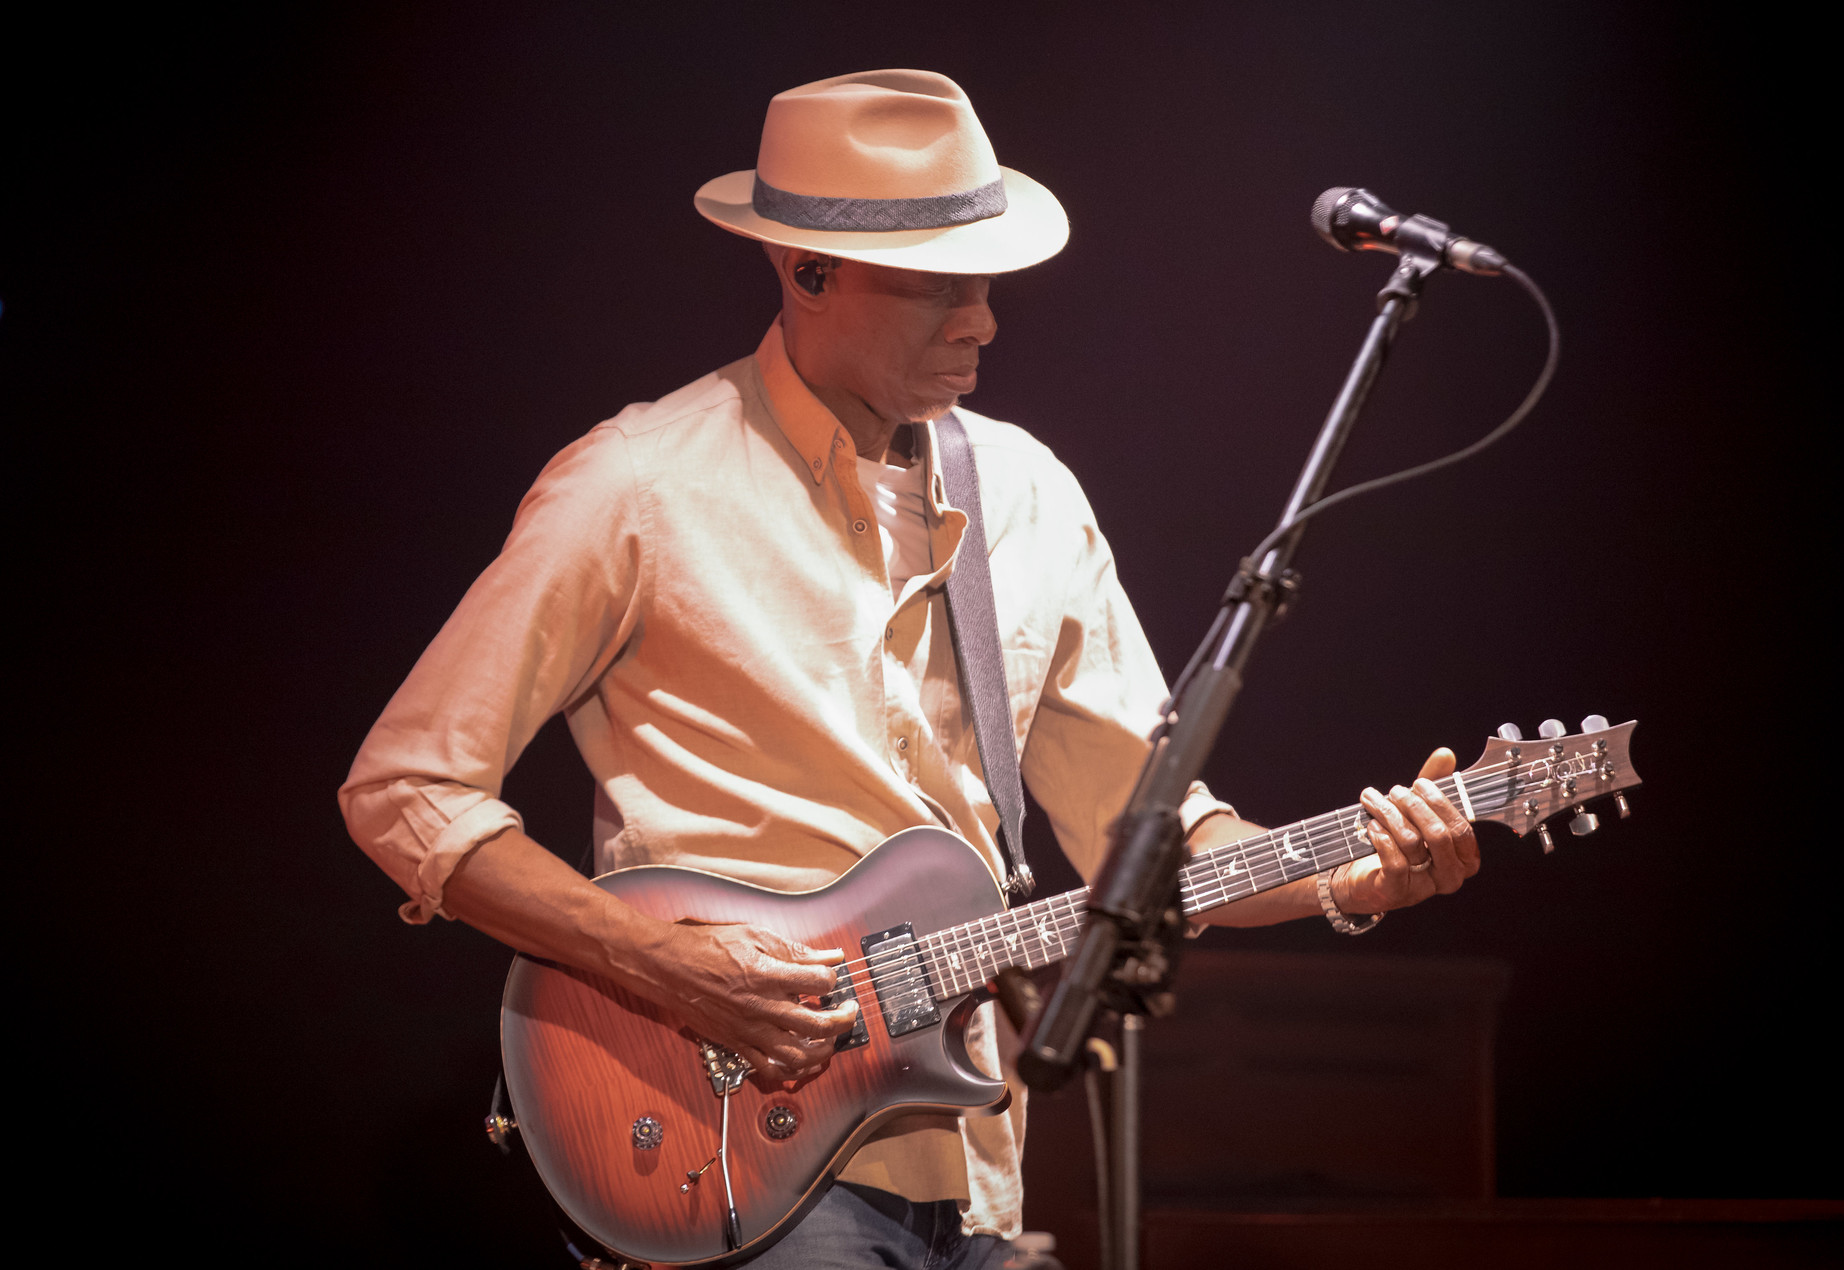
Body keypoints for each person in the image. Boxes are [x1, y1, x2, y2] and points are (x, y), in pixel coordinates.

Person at [339, 69, 1480, 1269]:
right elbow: (406, 790)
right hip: (724, 1151)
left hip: (976, 1174)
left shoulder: (1030, 493)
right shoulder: (637, 486)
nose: (981, 323)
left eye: (986, 285)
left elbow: (1148, 839)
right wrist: (661, 962)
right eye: (939, 287)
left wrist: (1351, 877)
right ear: (805, 271)